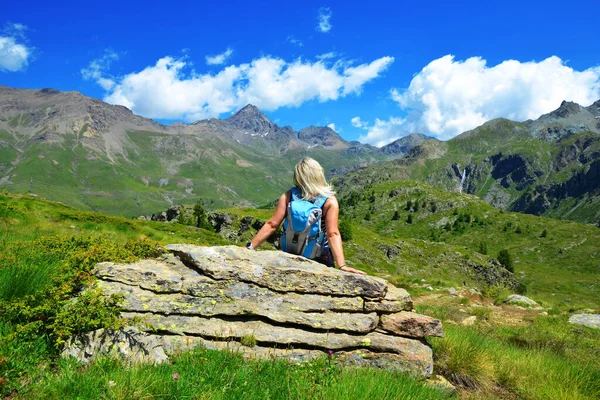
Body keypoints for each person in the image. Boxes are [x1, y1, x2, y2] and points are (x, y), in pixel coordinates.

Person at [246, 157, 366, 275]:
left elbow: (272, 224)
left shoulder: (289, 195)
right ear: (319, 175)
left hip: (289, 253)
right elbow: (332, 233)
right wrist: (342, 265)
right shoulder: (329, 201)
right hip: (319, 258)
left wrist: (250, 247)